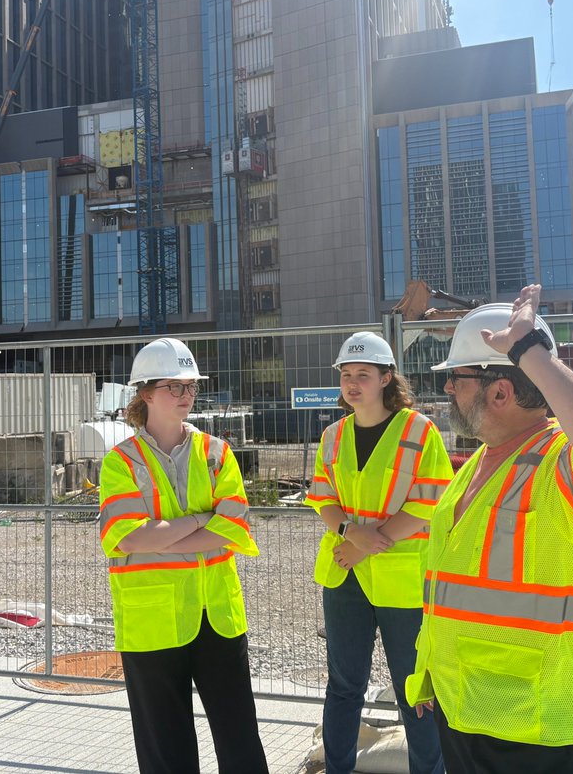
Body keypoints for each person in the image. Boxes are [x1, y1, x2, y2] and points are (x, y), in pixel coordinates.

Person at [406, 285, 573, 774]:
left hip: (550, 726)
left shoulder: (560, 464)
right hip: (467, 708)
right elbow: (453, 585)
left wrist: (529, 352)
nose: (447, 389)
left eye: (457, 379)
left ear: (501, 391)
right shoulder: (475, 467)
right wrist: (431, 671)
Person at [98, 337, 269, 774]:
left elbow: (232, 529)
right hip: (151, 620)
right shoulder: (120, 462)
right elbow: (129, 537)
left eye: (190, 386)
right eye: (174, 386)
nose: (186, 395)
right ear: (145, 393)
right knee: (165, 746)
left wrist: (165, 533)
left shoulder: (216, 454)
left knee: (240, 739)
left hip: (217, 616)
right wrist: (199, 521)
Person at [306, 331, 452, 774]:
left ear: (387, 377)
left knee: (415, 689)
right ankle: (337, 768)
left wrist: (366, 544)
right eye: (346, 375)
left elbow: (431, 502)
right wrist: (352, 534)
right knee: (344, 687)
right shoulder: (333, 435)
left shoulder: (418, 430)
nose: (352, 383)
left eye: (363, 374)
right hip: (345, 576)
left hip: (401, 579)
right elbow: (323, 497)